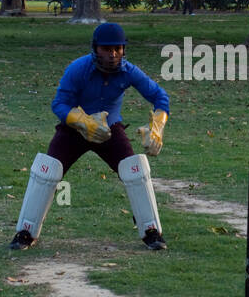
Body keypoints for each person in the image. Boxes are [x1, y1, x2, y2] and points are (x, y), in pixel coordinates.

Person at [9, 23, 171, 252]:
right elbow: (59, 104)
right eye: (106, 48)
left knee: (135, 171)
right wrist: (82, 121)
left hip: (110, 131)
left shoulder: (129, 71)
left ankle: (151, 231)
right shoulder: (78, 69)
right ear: (95, 49)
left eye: (117, 48)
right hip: (74, 130)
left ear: (124, 50)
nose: (112, 54)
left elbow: (159, 96)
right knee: (47, 171)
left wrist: (157, 125)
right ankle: (25, 232)